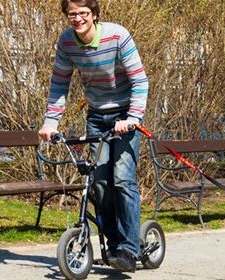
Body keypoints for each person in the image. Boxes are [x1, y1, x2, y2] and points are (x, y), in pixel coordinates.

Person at [38, 0, 148, 273]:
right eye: (72, 14)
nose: (77, 19)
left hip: (126, 115)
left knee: (122, 179)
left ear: (95, 15)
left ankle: (129, 249)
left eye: (83, 13)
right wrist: (51, 122)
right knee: (99, 184)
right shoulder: (66, 42)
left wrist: (132, 118)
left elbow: (140, 80)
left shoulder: (118, 35)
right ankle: (114, 246)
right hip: (97, 115)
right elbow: (59, 83)